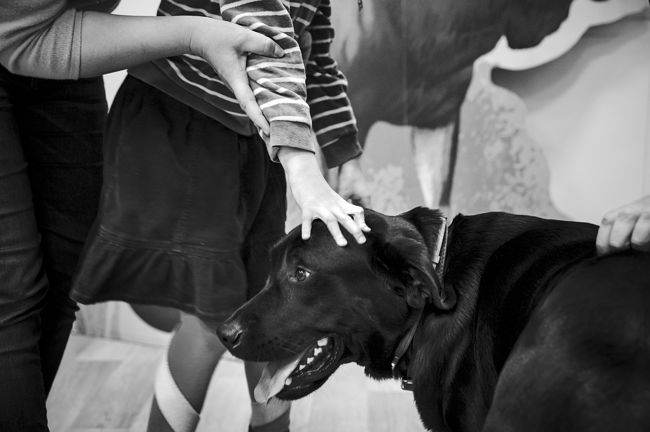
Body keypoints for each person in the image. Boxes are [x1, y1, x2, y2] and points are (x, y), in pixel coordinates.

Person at [68, 1, 370, 432]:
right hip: (184, 124)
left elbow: (312, 58)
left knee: (269, 303)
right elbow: (267, 37)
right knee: (210, 319)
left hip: (251, 134)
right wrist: (302, 165)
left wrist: (345, 157)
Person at [0, 1, 291, 430]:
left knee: (64, 274)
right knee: (15, 286)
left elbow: (297, 53)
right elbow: (18, 34)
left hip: (251, 146)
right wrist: (192, 34)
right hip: (191, 133)